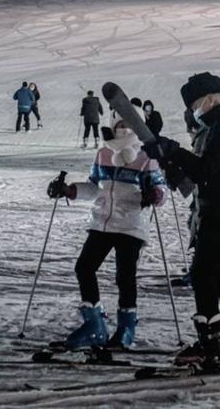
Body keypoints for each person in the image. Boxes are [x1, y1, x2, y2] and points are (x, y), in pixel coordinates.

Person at [144, 72, 220, 367]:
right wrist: (172, 161)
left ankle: (211, 343)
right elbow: (208, 172)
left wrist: (173, 150)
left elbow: (206, 169)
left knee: (204, 274)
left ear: (208, 99)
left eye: (195, 104)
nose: (194, 111)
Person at [46, 111, 167, 348]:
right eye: (119, 124)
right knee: (84, 267)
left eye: (128, 124)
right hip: (102, 221)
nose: (123, 128)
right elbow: (95, 187)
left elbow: (160, 189)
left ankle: (126, 327)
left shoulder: (145, 156)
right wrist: (70, 190)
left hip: (131, 224)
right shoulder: (103, 153)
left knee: (124, 276)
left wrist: (154, 194)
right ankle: (94, 324)